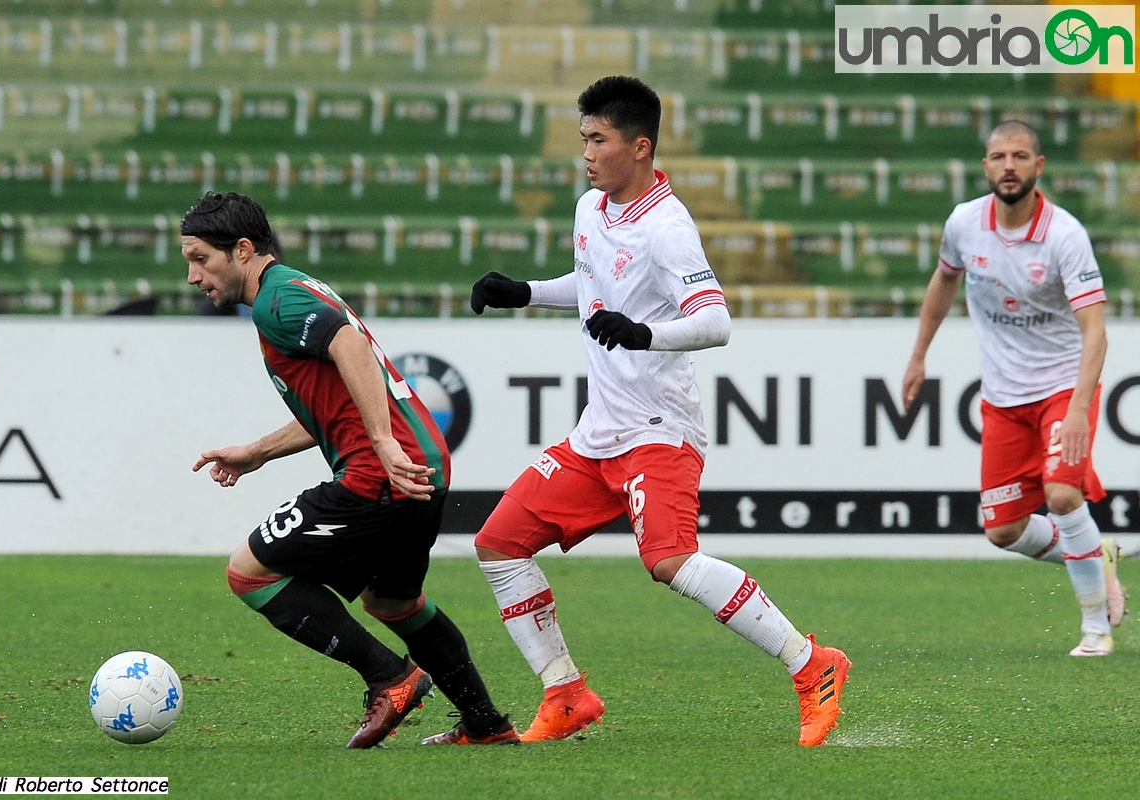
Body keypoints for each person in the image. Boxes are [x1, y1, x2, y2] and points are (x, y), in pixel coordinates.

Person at [467, 76, 851, 747]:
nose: (585, 153)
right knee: (499, 543)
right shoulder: (592, 208)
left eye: (598, 139)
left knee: (670, 561)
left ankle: (812, 662)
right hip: (598, 436)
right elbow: (592, 284)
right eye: (583, 138)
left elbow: (715, 321)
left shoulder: (669, 229)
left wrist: (647, 333)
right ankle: (564, 694)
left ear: (639, 147)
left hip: (659, 432)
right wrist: (524, 290)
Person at [181, 191, 518, 747]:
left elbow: (350, 344)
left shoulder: (275, 301)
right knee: (393, 601)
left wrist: (382, 443)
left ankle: (392, 677)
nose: (194, 276)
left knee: (250, 573)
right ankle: (484, 724)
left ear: (241, 250)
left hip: (377, 475)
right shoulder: (294, 288)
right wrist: (259, 451)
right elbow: (338, 404)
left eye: (200, 258)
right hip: (423, 466)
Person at [903, 120, 1126, 657]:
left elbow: (1096, 332)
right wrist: (918, 355)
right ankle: (1098, 553)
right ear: (985, 167)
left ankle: (1096, 627)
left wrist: (1077, 411)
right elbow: (945, 279)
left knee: (1063, 495)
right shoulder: (964, 223)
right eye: (999, 156)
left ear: (1038, 167)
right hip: (1004, 398)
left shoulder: (1064, 235)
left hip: (1062, 389)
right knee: (1002, 531)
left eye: (1020, 156)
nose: (1009, 166)